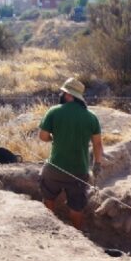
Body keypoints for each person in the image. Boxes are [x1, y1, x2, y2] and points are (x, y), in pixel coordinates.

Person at [38, 78, 103, 230]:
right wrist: (97, 165)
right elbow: (98, 144)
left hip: (54, 169)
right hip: (78, 172)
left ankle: (49, 230)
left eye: (63, 92)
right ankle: (77, 236)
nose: (61, 94)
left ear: (68, 95)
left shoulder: (54, 111)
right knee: (76, 207)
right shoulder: (91, 117)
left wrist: (54, 137)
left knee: (48, 199)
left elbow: (43, 136)